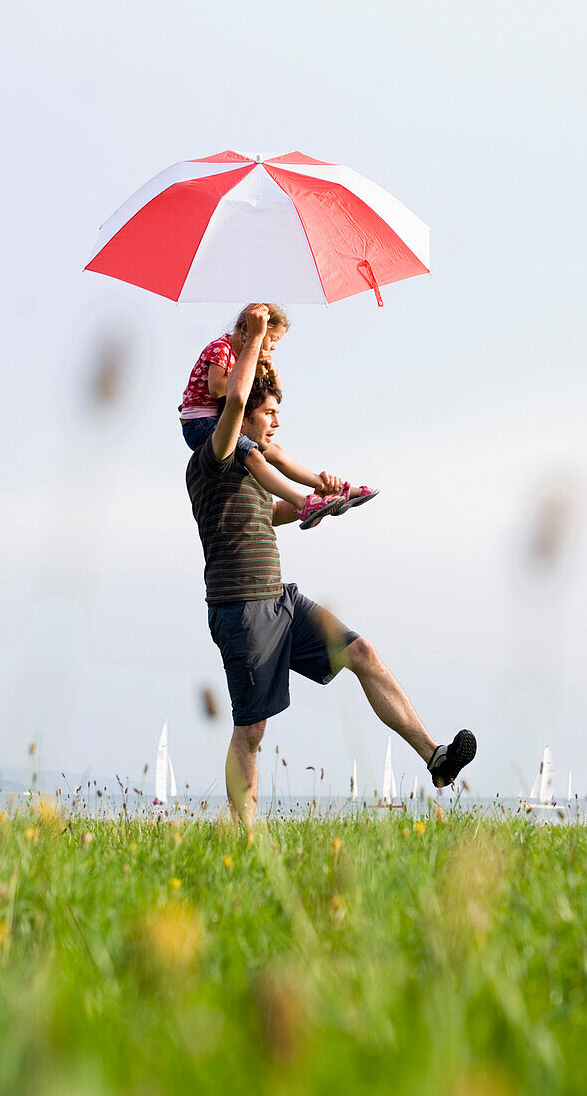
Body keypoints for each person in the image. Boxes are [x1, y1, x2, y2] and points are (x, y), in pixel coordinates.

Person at [186, 304, 476, 826]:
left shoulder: (251, 467)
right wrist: (252, 337)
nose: (276, 422)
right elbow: (231, 399)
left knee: (361, 651)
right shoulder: (216, 451)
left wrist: (317, 507)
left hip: (280, 599)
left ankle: (436, 759)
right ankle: (243, 839)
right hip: (241, 608)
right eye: (269, 412)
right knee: (251, 729)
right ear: (246, 415)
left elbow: (266, 515)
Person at [180, 303, 377, 529]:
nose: (273, 347)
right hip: (200, 423)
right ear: (252, 330)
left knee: (277, 453)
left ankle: (335, 487)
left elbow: (274, 394)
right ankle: (303, 503)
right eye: (272, 339)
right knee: (253, 455)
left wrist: (270, 372)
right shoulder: (221, 348)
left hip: (221, 417)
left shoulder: (249, 356)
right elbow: (216, 389)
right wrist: (251, 371)